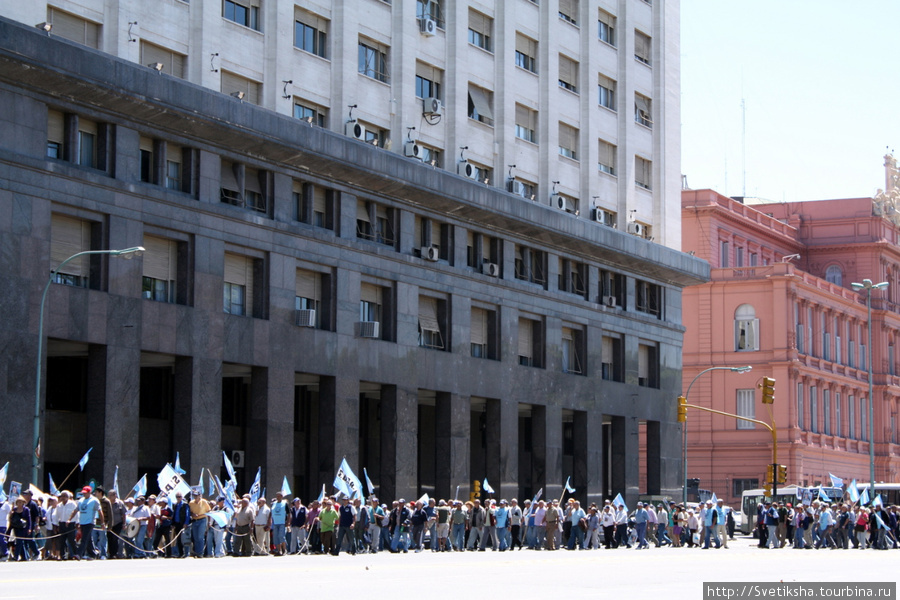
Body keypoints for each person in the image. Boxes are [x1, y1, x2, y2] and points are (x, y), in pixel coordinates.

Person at [76, 486, 104, 559]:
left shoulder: (94, 500)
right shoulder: (81, 500)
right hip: (82, 522)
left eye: (86, 493)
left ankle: (79, 554)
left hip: (90, 522)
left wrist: (102, 523)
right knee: (88, 539)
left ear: (89, 492)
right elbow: (76, 510)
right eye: (83, 493)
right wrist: (70, 519)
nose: (84, 494)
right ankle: (94, 553)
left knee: (84, 539)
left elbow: (100, 512)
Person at [7, 496, 32, 561]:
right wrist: (11, 514)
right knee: (21, 543)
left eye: (21, 502)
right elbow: (11, 519)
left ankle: (16, 556)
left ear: (23, 503)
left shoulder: (26, 510)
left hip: (23, 528)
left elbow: (29, 520)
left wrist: (29, 528)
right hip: (16, 527)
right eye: (18, 502)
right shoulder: (14, 509)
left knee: (19, 542)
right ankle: (24, 557)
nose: (19, 504)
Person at [170, 493, 190, 557]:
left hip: (183, 524)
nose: (178, 498)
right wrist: (173, 523)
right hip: (177, 524)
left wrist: (186, 523)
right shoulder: (175, 505)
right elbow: (174, 514)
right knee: (178, 539)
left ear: (182, 497)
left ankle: (186, 553)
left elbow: (187, 514)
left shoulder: (185, 505)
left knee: (184, 539)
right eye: (177, 497)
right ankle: (180, 553)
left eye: (179, 497)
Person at [269, 492, 288, 556]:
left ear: (282, 496)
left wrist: (288, 522)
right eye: (277, 496)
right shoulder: (273, 504)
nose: (277, 497)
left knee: (281, 536)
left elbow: (289, 513)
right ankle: (279, 550)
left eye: (279, 496)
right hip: (275, 523)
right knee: (276, 537)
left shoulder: (284, 504)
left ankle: (284, 549)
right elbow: (271, 513)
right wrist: (269, 521)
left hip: (282, 522)